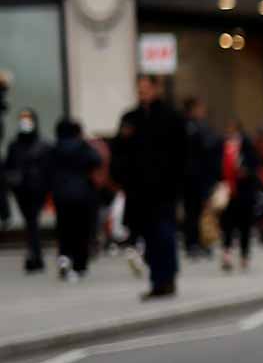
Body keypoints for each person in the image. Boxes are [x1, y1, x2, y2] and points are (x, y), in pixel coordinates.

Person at [112, 76, 186, 300]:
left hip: (164, 189)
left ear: (156, 89)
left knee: (164, 233)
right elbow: (119, 151)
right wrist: (122, 178)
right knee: (147, 236)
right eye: (139, 89)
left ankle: (166, 277)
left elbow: (182, 153)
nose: (142, 92)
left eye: (146, 88)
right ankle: (157, 278)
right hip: (138, 191)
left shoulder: (170, 117)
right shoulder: (130, 119)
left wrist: (176, 182)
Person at [46, 118, 101, 281]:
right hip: (82, 194)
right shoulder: (83, 147)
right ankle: (79, 263)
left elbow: (47, 169)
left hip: (61, 195)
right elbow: (96, 160)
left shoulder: (54, 148)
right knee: (81, 230)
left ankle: (64, 257)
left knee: (64, 229)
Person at [5, 108, 50, 273]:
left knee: (32, 221)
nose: (25, 121)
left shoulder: (42, 144)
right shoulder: (15, 144)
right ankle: (34, 255)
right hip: (20, 190)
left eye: (27, 118)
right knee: (31, 222)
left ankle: (34, 256)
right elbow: (8, 166)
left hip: (37, 189)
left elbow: (48, 168)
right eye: (22, 118)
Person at [179, 98, 219, 261]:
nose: (203, 111)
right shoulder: (191, 127)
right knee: (194, 212)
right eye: (200, 108)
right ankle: (193, 243)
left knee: (199, 211)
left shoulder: (197, 126)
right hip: (194, 178)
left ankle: (201, 242)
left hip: (198, 177)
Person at [218, 121, 260, 273]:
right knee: (227, 224)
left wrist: (246, 171)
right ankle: (227, 254)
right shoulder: (222, 145)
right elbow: (216, 166)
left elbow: (255, 164)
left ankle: (244, 254)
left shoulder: (247, 145)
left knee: (245, 225)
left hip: (244, 192)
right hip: (228, 192)